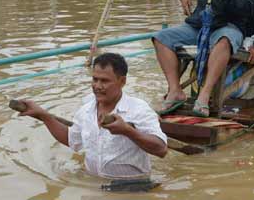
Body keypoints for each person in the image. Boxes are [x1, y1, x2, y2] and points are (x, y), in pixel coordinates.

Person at [18, 53, 168, 179]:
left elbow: (161, 150)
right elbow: (72, 140)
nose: (97, 86)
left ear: (122, 81)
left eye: (104, 81)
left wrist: (128, 131)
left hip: (132, 187)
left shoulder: (138, 109)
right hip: (93, 186)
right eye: (95, 79)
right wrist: (44, 116)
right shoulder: (86, 110)